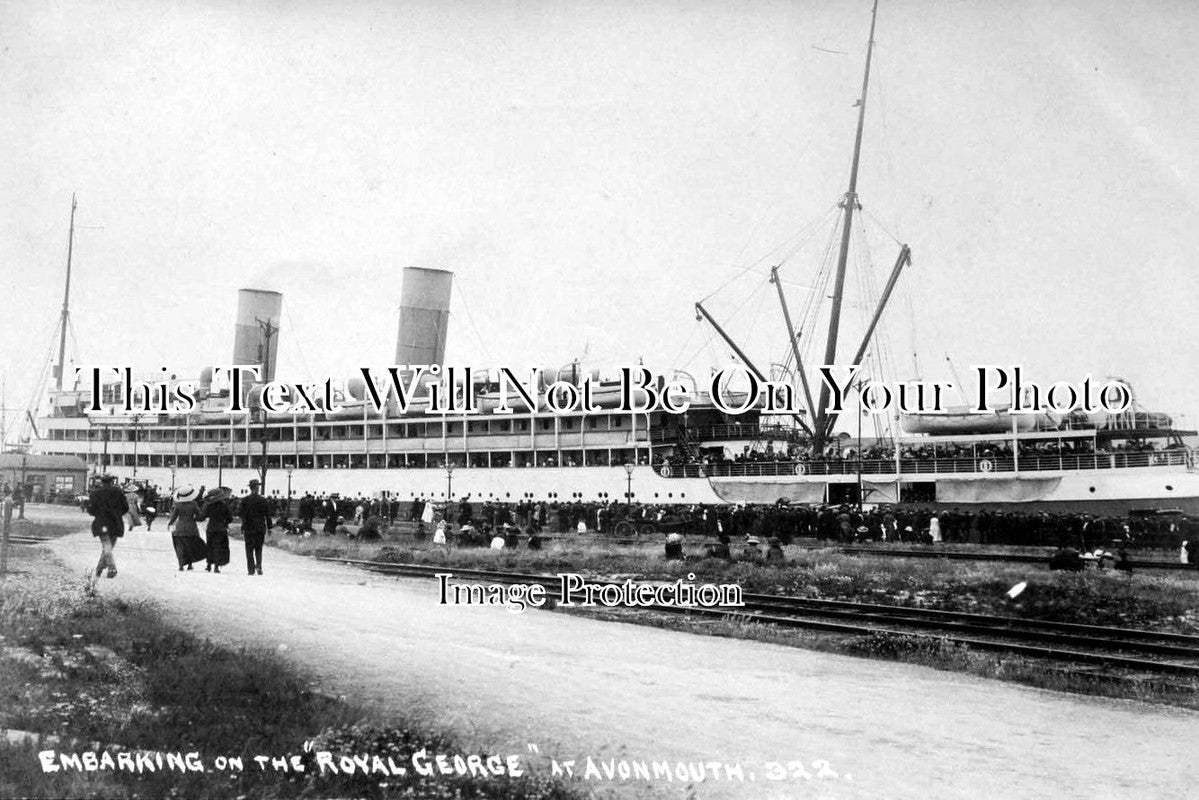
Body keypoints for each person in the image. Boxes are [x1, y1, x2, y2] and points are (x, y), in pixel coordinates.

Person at [86, 475, 128, 581]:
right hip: (115, 523)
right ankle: (107, 569)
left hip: (102, 522)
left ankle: (106, 568)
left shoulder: (96, 493)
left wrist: (98, 514)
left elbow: (90, 509)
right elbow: (125, 508)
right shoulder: (118, 492)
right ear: (112, 482)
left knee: (106, 546)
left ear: (102, 482)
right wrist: (117, 514)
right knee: (109, 547)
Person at [167, 485, 208, 571]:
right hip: (191, 528)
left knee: (180, 547)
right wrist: (196, 518)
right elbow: (200, 516)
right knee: (190, 546)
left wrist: (170, 524)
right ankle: (189, 565)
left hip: (179, 528)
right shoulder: (194, 504)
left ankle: (181, 565)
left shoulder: (178, 505)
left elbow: (174, 517)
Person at [240, 478, 272, 576]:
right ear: (257, 488)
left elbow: (242, 514)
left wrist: (243, 526)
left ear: (250, 488)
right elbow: (267, 515)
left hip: (248, 527)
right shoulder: (263, 500)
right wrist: (269, 527)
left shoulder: (245, 500)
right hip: (260, 527)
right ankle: (259, 566)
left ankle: (251, 569)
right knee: (258, 548)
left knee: (249, 549)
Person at [203, 487, 233, 573]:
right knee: (218, 547)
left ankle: (209, 565)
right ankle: (216, 566)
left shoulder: (209, 506)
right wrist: (225, 522)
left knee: (210, 546)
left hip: (211, 528)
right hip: (221, 529)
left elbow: (203, 516)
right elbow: (230, 518)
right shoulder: (224, 506)